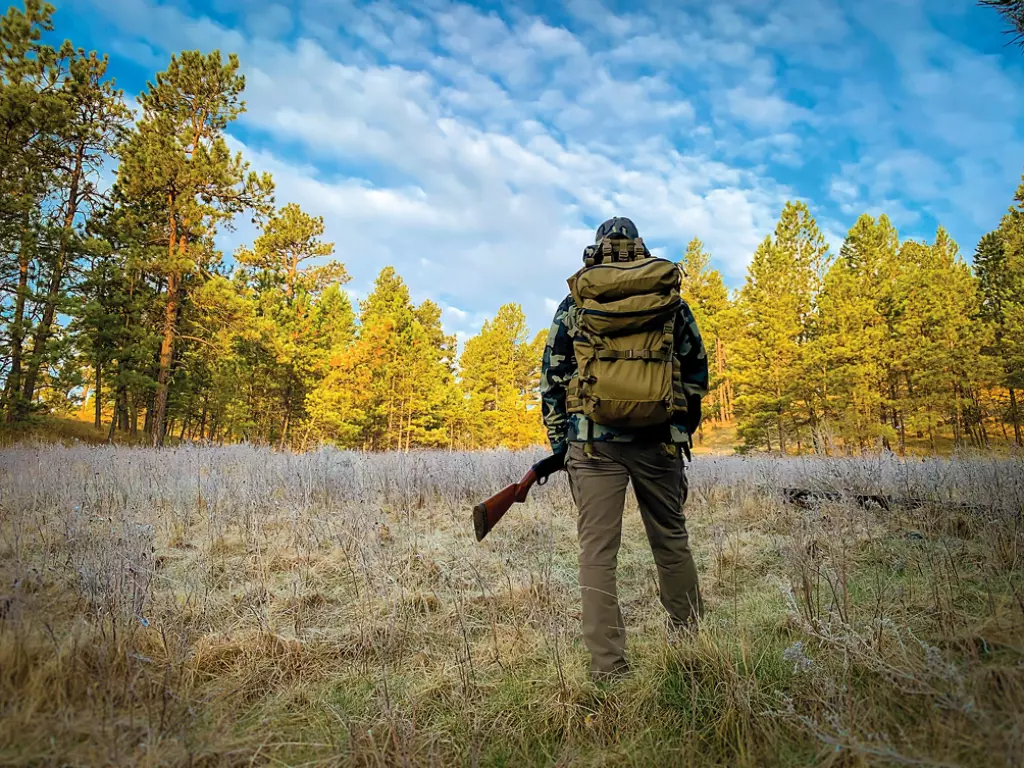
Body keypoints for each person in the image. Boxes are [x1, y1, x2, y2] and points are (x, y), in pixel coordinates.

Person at [540, 216, 708, 682]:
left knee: (597, 553)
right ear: (639, 248)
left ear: (597, 248)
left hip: (592, 446)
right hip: (659, 443)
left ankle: (609, 670)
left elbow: (552, 380)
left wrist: (562, 447)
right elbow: (696, 372)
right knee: (671, 542)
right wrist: (678, 429)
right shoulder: (670, 302)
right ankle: (692, 647)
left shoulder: (574, 303)